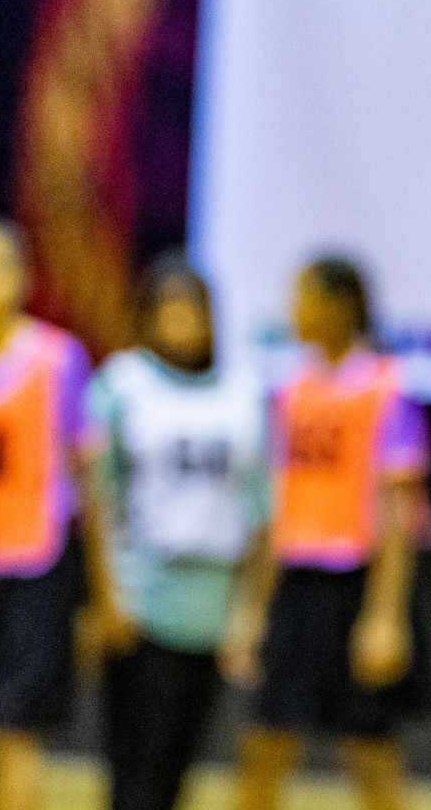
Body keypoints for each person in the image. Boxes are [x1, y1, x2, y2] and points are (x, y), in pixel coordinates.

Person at [223, 256, 431, 810]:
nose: (292, 310)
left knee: (369, 749)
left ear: (339, 307)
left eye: (303, 297)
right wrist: (253, 607)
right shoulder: (292, 392)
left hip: (357, 586)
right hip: (297, 585)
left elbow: (397, 513)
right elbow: (276, 511)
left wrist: (385, 616)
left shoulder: (389, 389)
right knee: (266, 740)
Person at [88, 253, 268, 810]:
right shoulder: (123, 383)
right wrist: (107, 596)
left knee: (177, 770)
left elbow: (263, 511)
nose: (182, 321)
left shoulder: (243, 391)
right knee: (134, 774)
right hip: (141, 597)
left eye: (193, 309)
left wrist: (249, 609)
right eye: (168, 309)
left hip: (212, 604)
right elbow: (97, 500)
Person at [0, 217, 93, 810]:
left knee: (15, 731)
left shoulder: (57, 359)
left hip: (32, 570)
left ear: (21, 276)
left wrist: (103, 588)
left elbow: (86, 473)